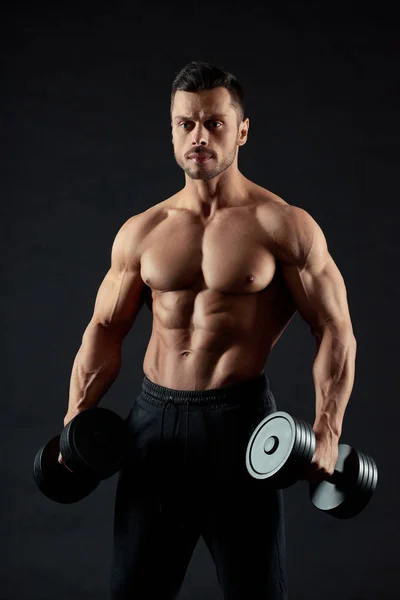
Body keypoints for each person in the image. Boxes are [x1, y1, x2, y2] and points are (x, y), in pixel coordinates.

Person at [59, 60, 357, 599]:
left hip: (240, 428)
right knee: (134, 591)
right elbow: (104, 329)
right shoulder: (143, 232)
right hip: (154, 426)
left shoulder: (284, 225)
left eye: (215, 123)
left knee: (256, 591)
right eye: (186, 124)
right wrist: (74, 420)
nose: (199, 136)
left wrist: (328, 430)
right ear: (171, 130)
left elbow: (336, 329)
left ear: (242, 130)